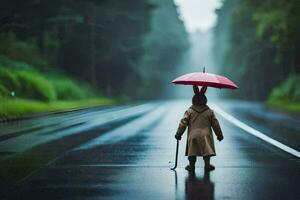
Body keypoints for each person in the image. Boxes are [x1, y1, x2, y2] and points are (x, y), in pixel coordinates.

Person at [175, 86, 223, 172]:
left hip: (193, 135)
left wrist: (179, 134)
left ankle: (191, 165)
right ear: (205, 100)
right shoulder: (209, 111)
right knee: (207, 151)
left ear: (193, 100)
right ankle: (207, 164)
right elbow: (215, 124)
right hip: (206, 135)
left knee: (192, 152)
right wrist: (219, 135)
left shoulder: (189, 111)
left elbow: (183, 122)